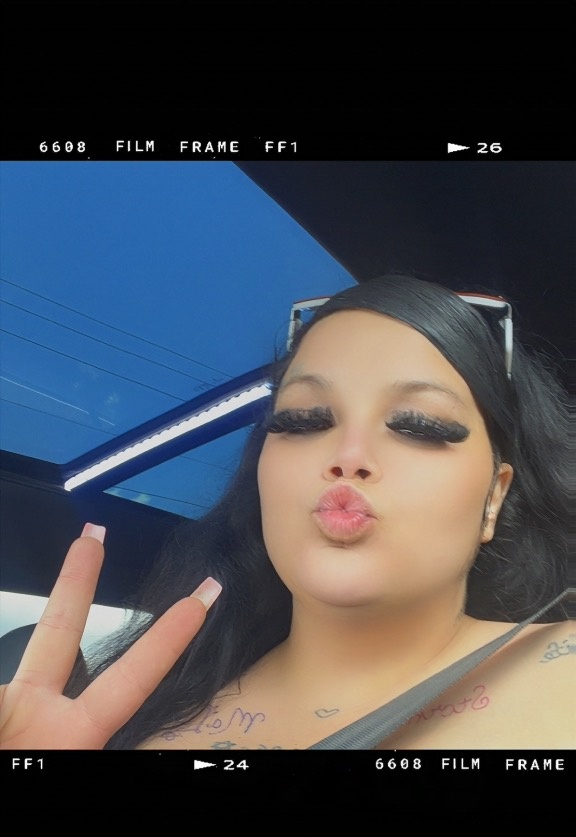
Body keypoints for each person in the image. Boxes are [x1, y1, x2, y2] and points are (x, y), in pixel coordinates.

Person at [0, 274, 572, 751]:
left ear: (494, 497)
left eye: (419, 426)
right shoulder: (135, 716)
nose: (348, 455)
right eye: (303, 420)